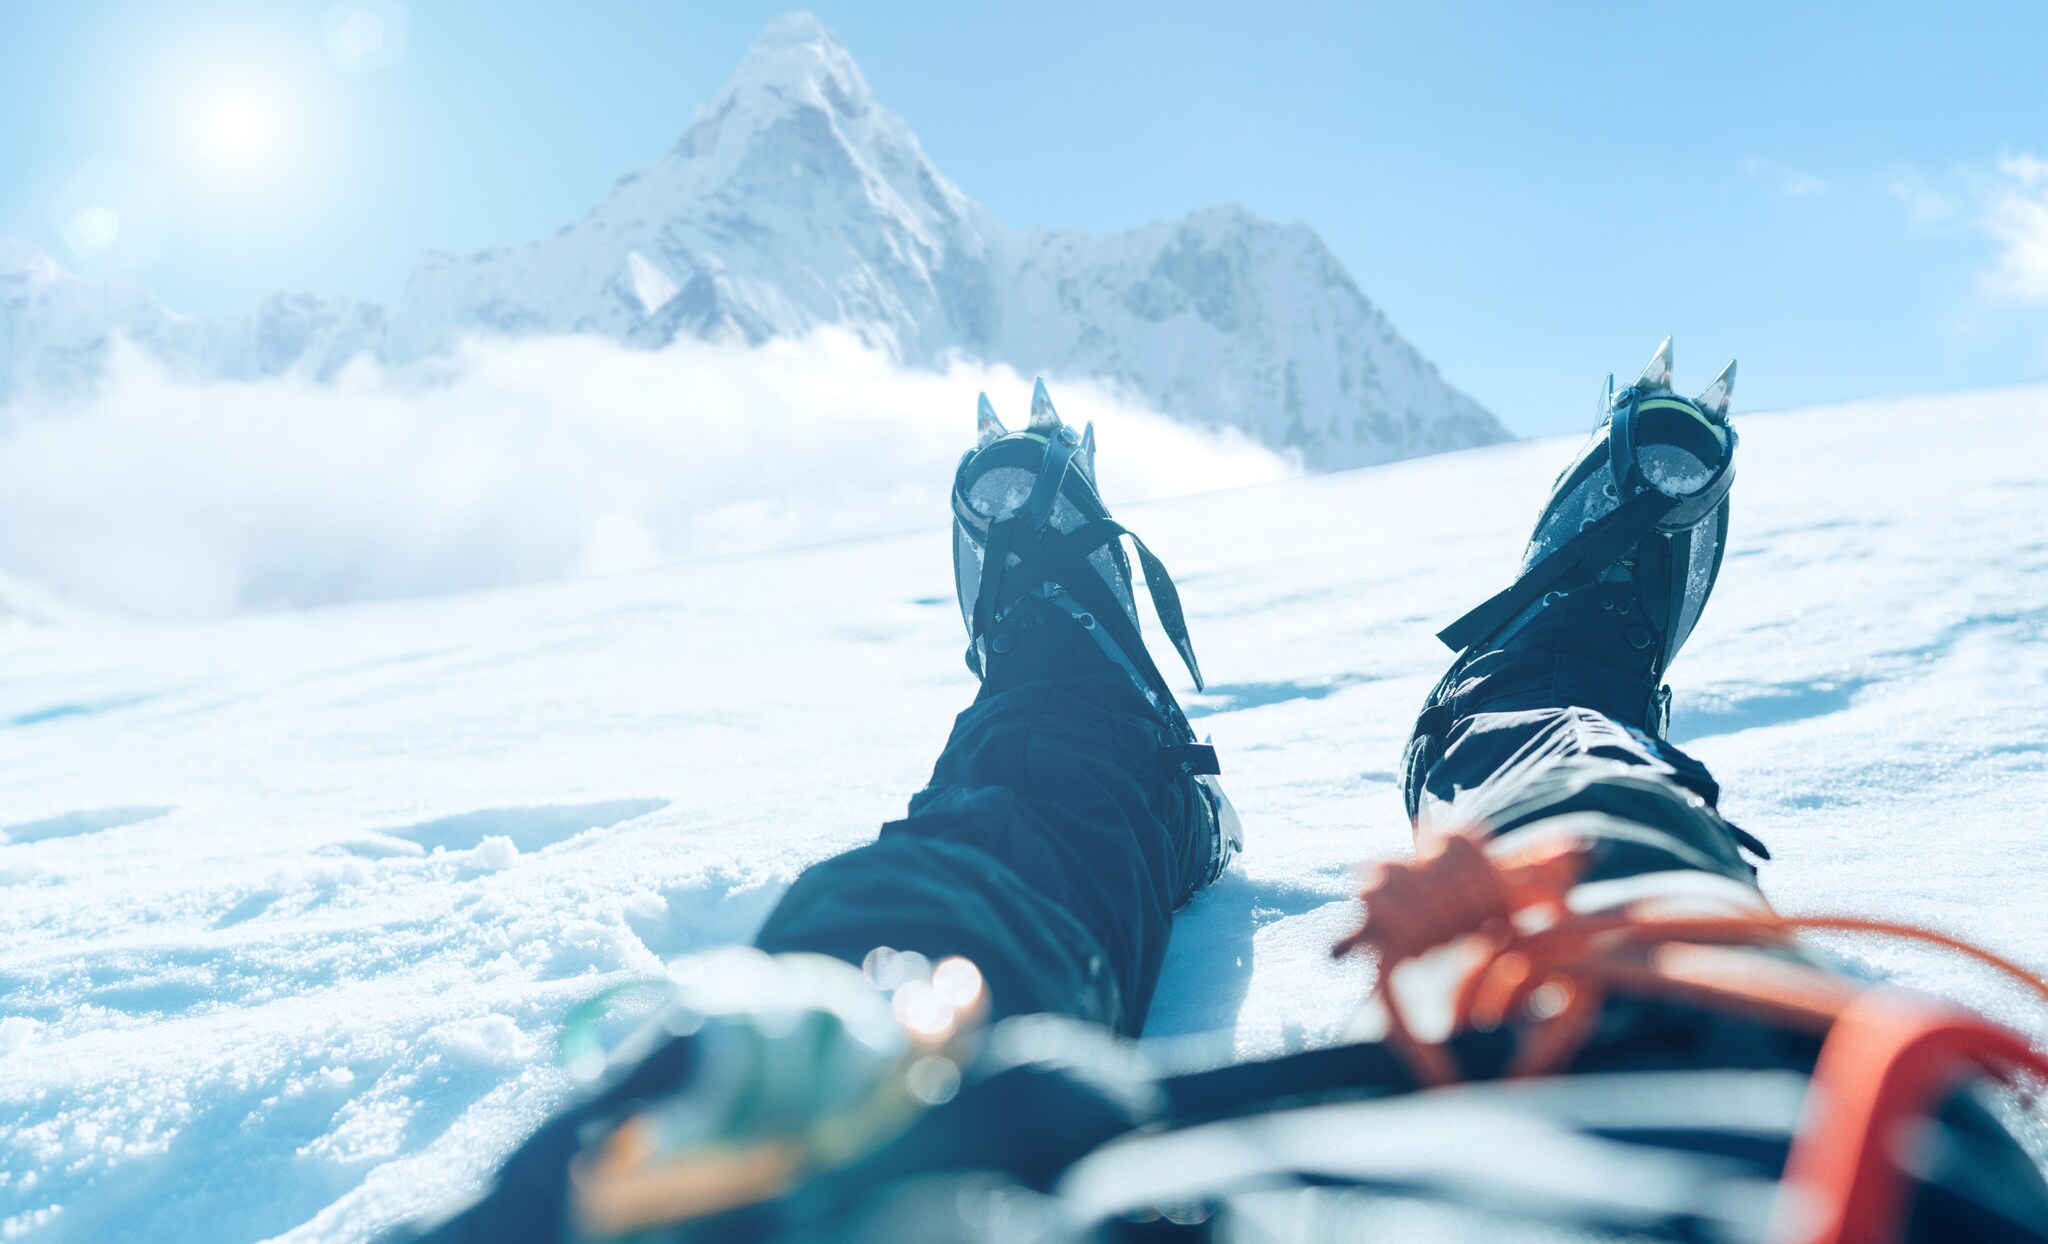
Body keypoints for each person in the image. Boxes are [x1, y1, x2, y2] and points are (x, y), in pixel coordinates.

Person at [405, 347, 2048, 1244]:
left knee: (902, 947)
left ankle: (1101, 737)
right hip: (1764, 1162)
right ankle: (1531, 710)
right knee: (1625, 882)